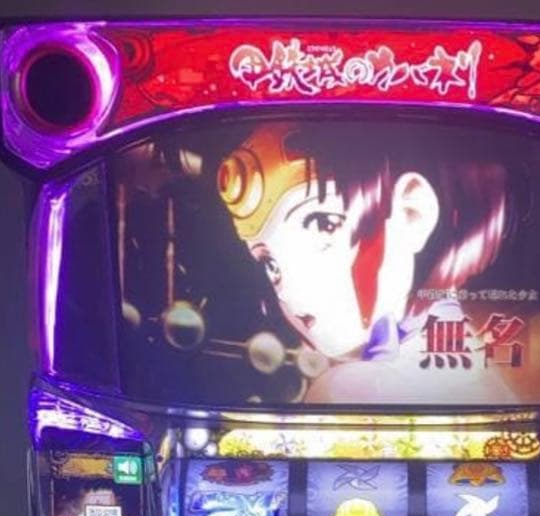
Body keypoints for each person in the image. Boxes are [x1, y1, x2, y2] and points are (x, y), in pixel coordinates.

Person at [216, 121, 515, 404]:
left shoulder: (345, 389)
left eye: (324, 225)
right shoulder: (477, 363)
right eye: (270, 264)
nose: (291, 294)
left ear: (413, 213)